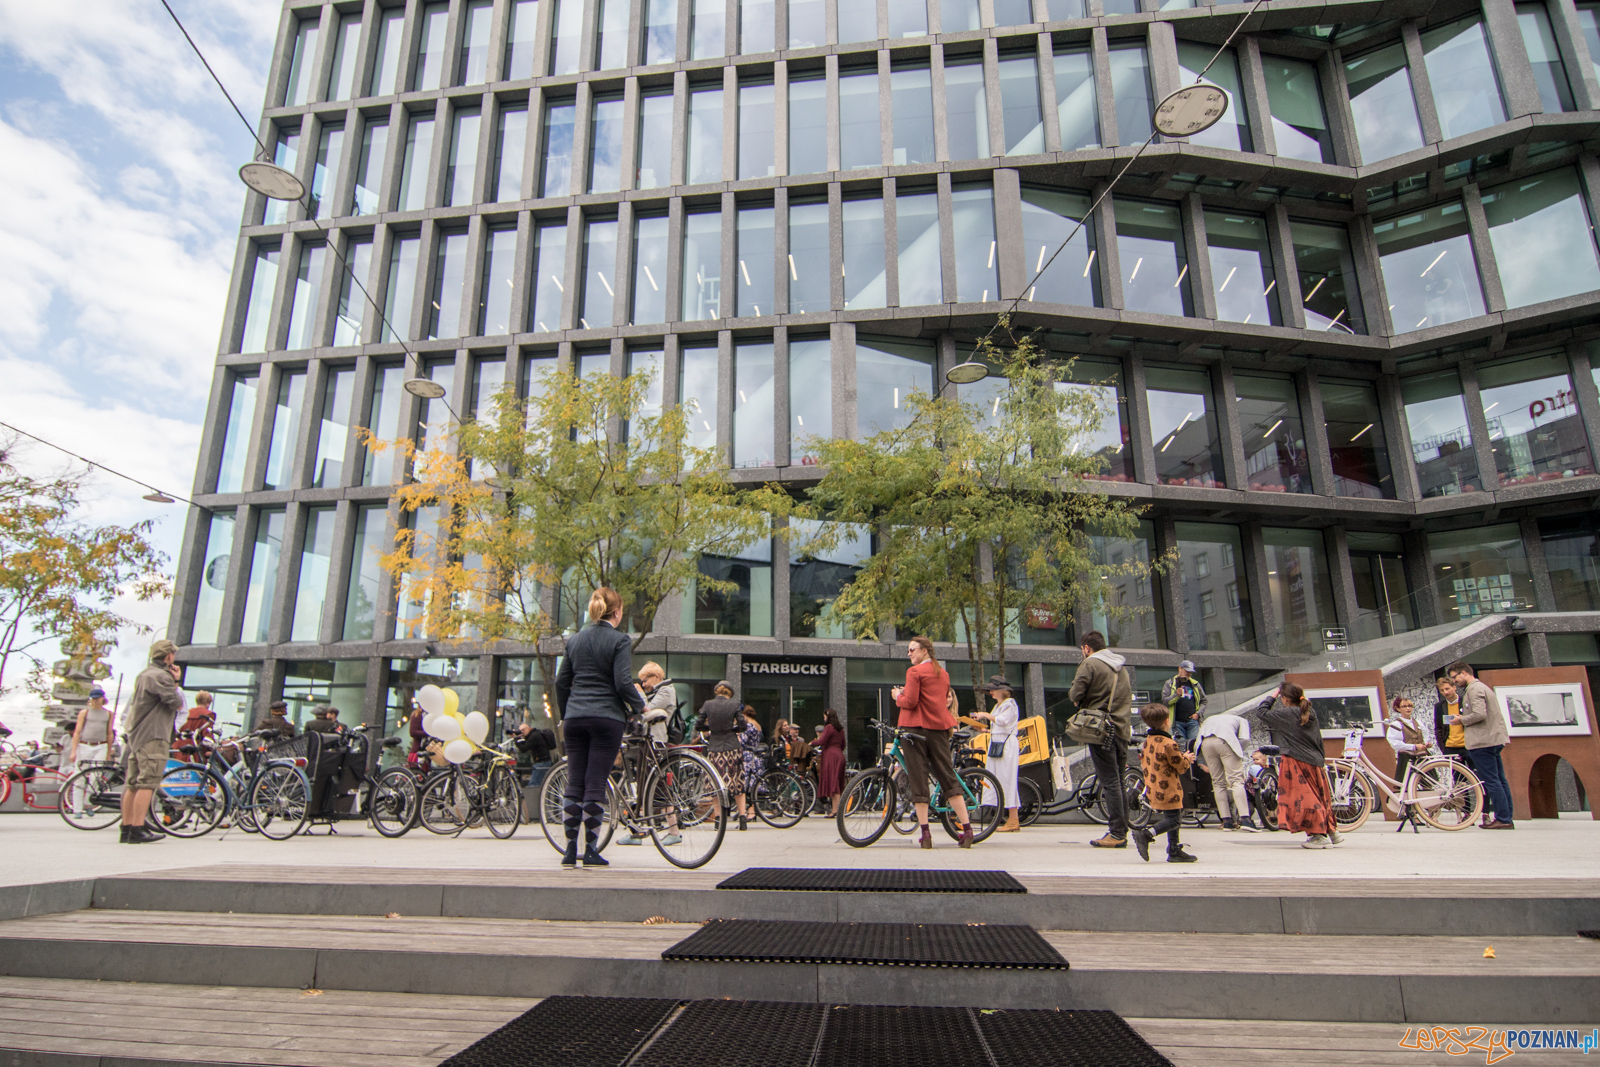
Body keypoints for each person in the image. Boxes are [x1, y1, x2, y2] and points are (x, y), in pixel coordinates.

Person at [553, 587, 648, 868]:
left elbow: (561, 683)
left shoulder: (574, 641)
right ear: (617, 612)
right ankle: (591, 851)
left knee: (575, 782)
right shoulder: (619, 640)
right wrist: (639, 706)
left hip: (575, 719)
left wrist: (566, 712)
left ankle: (570, 851)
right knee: (595, 783)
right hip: (606, 719)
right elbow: (622, 682)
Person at [891, 636, 972, 849]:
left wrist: (897, 696)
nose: (909, 654)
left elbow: (910, 701)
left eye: (912, 650)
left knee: (918, 778)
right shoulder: (942, 673)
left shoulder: (914, 672)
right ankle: (967, 829)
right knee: (947, 777)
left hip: (915, 730)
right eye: (908, 651)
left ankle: (926, 834)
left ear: (925, 651)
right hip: (939, 730)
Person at [1068, 630, 1134, 849]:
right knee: (1119, 781)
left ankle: (1116, 834)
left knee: (1111, 782)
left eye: (1082, 650)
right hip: (1122, 730)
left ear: (1087, 648)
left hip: (1101, 730)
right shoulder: (1120, 667)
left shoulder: (1090, 664)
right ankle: (1121, 831)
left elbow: (1075, 694)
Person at [1256, 683, 1337, 848]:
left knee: (1302, 799)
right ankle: (1330, 831)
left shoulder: (1288, 713)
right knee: (1319, 797)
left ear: (1284, 699)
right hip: (1315, 762)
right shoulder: (1309, 711)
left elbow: (1261, 712)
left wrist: (1273, 695)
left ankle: (1318, 835)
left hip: (1297, 762)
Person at [119, 640, 183, 844]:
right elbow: (175, 703)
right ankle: (138, 828)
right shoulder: (161, 677)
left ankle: (126, 827)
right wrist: (175, 681)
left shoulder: (144, 674)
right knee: (148, 783)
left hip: (137, 736)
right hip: (154, 735)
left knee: (132, 784)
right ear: (169, 656)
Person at [1445, 661, 1514, 829]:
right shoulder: (1482, 687)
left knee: (1491, 781)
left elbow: (1479, 714)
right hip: (1493, 739)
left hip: (1482, 741)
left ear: (1464, 673)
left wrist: (1461, 719)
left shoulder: (1474, 689)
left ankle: (1503, 818)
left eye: (1455, 677)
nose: (1454, 682)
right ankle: (1506, 816)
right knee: (1500, 780)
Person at [1132, 705, 1198, 863]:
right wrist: (1187, 759)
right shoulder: (1169, 743)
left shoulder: (1148, 741)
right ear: (1167, 721)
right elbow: (1180, 767)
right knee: (1175, 820)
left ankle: (1174, 850)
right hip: (1169, 787)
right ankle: (1147, 834)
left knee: (1171, 816)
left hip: (1154, 786)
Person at [1196, 706, 1258, 831]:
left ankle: (1227, 821)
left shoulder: (1211, 719)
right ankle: (1245, 820)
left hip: (1205, 743)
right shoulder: (1242, 720)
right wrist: (1236, 750)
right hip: (1225, 741)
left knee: (1218, 783)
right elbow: (1245, 738)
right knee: (1236, 780)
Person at [972, 675, 1021, 833]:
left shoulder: (1009, 704)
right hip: (998, 743)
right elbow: (999, 725)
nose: (991, 692)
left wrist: (985, 715)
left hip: (1006, 745)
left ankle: (1013, 819)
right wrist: (985, 729)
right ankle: (1009, 817)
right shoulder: (1000, 705)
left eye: (993, 689)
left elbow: (1003, 721)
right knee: (999, 779)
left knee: (1007, 779)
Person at [697, 682, 749, 829]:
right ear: (729, 693)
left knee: (715, 783)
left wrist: (711, 728)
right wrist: (733, 729)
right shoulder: (734, 705)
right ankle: (743, 818)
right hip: (732, 746)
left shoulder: (707, 704)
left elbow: (698, 725)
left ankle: (718, 819)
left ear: (716, 692)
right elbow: (743, 726)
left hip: (714, 748)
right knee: (738, 782)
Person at [1162, 661, 1207, 751]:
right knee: (1181, 748)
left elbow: (1204, 701)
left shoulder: (1195, 684)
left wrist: (1198, 714)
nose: (1188, 674)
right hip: (1177, 722)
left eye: (1190, 672)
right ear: (1180, 669)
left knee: (1194, 746)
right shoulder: (1170, 683)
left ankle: (1194, 764)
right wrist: (1176, 695)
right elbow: (1165, 702)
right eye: (1187, 671)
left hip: (1192, 721)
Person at [1385, 695, 1431, 785]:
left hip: (1421, 756)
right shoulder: (1397, 724)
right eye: (1404, 706)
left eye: (1410, 706)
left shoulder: (1418, 722)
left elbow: (1425, 735)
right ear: (1398, 709)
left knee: (1428, 782)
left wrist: (1426, 744)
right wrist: (1413, 746)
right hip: (1406, 757)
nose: (1408, 708)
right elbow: (1395, 743)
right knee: (1407, 784)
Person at [69, 687, 115, 770]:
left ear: (102, 699)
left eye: (97, 698)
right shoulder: (85, 712)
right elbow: (77, 732)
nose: (95, 701)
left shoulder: (109, 714)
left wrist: (108, 754)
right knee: (80, 771)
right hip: (85, 745)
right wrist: (73, 751)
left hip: (101, 745)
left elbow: (109, 733)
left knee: (97, 772)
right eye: (93, 699)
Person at [815, 708, 845, 816]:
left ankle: (835, 810)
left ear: (827, 717)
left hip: (830, 756)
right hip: (839, 755)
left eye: (824, 717)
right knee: (837, 782)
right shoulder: (840, 729)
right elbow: (843, 745)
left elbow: (821, 741)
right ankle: (838, 808)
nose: (824, 719)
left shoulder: (829, 727)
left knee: (833, 783)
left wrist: (811, 743)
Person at [738, 706, 766, 824]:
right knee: (753, 785)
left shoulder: (748, 726)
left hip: (747, 757)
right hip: (755, 756)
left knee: (746, 785)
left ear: (745, 714)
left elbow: (743, 742)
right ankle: (751, 810)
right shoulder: (757, 725)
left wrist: (738, 735)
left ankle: (750, 811)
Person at [637, 662, 676, 745]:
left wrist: (640, 692)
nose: (643, 685)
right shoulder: (655, 692)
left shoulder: (666, 691)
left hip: (656, 739)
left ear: (656, 676)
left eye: (645, 681)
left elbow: (647, 709)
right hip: (648, 738)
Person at [1432, 676, 1468, 762]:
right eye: (1442, 690)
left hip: (1467, 745)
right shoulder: (1439, 706)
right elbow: (1438, 727)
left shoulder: (1465, 702)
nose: (1446, 692)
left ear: (1454, 687)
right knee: (1456, 774)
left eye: (1447, 688)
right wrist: (1443, 747)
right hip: (1450, 747)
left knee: (1474, 773)